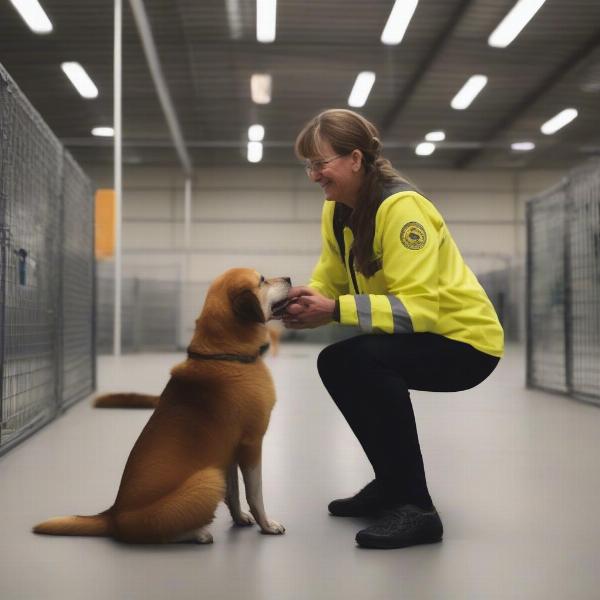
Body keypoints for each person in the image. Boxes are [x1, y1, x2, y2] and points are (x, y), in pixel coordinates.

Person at [280, 109, 503, 550]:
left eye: (320, 163)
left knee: (359, 361)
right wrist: (311, 298)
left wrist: (335, 309)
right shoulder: (338, 211)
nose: (314, 176)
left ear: (355, 159)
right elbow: (331, 276)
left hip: (465, 343)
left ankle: (417, 510)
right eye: (308, 165)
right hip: (424, 337)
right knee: (339, 362)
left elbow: (417, 310)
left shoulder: (402, 209)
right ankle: (391, 484)